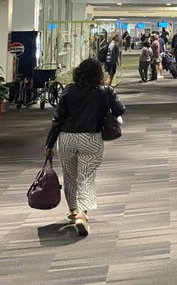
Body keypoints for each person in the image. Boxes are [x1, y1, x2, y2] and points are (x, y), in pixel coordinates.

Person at [44, 58, 125, 236]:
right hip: (91, 138)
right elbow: (120, 110)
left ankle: (73, 210)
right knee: (86, 177)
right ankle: (82, 213)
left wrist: (49, 145)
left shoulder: (68, 91)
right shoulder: (105, 91)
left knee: (70, 177)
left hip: (67, 138)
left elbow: (58, 119)